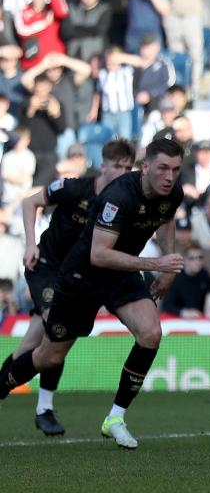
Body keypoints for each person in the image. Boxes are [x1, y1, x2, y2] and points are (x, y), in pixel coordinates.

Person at [0, 137, 186, 449]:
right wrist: (156, 262)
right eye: (163, 168)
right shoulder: (118, 196)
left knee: (151, 333)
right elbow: (99, 255)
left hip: (120, 274)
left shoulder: (172, 193)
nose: (169, 177)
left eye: (176, 170)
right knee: (48, 356)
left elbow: (166, 219)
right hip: (81, 277)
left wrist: (166, 271)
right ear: (147, 167)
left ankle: (115, 417)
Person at [0, 138, 134, 435]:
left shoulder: (123, 202)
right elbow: (28, 202)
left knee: (30, 346)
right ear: (103, 166)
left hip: (76, 277)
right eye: (118, 166)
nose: (123, 172)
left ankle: (8, 389)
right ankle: (44, 408)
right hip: (46, 268)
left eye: (128, 167)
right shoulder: (74, 188)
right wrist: (30, 244)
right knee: (57, 330)